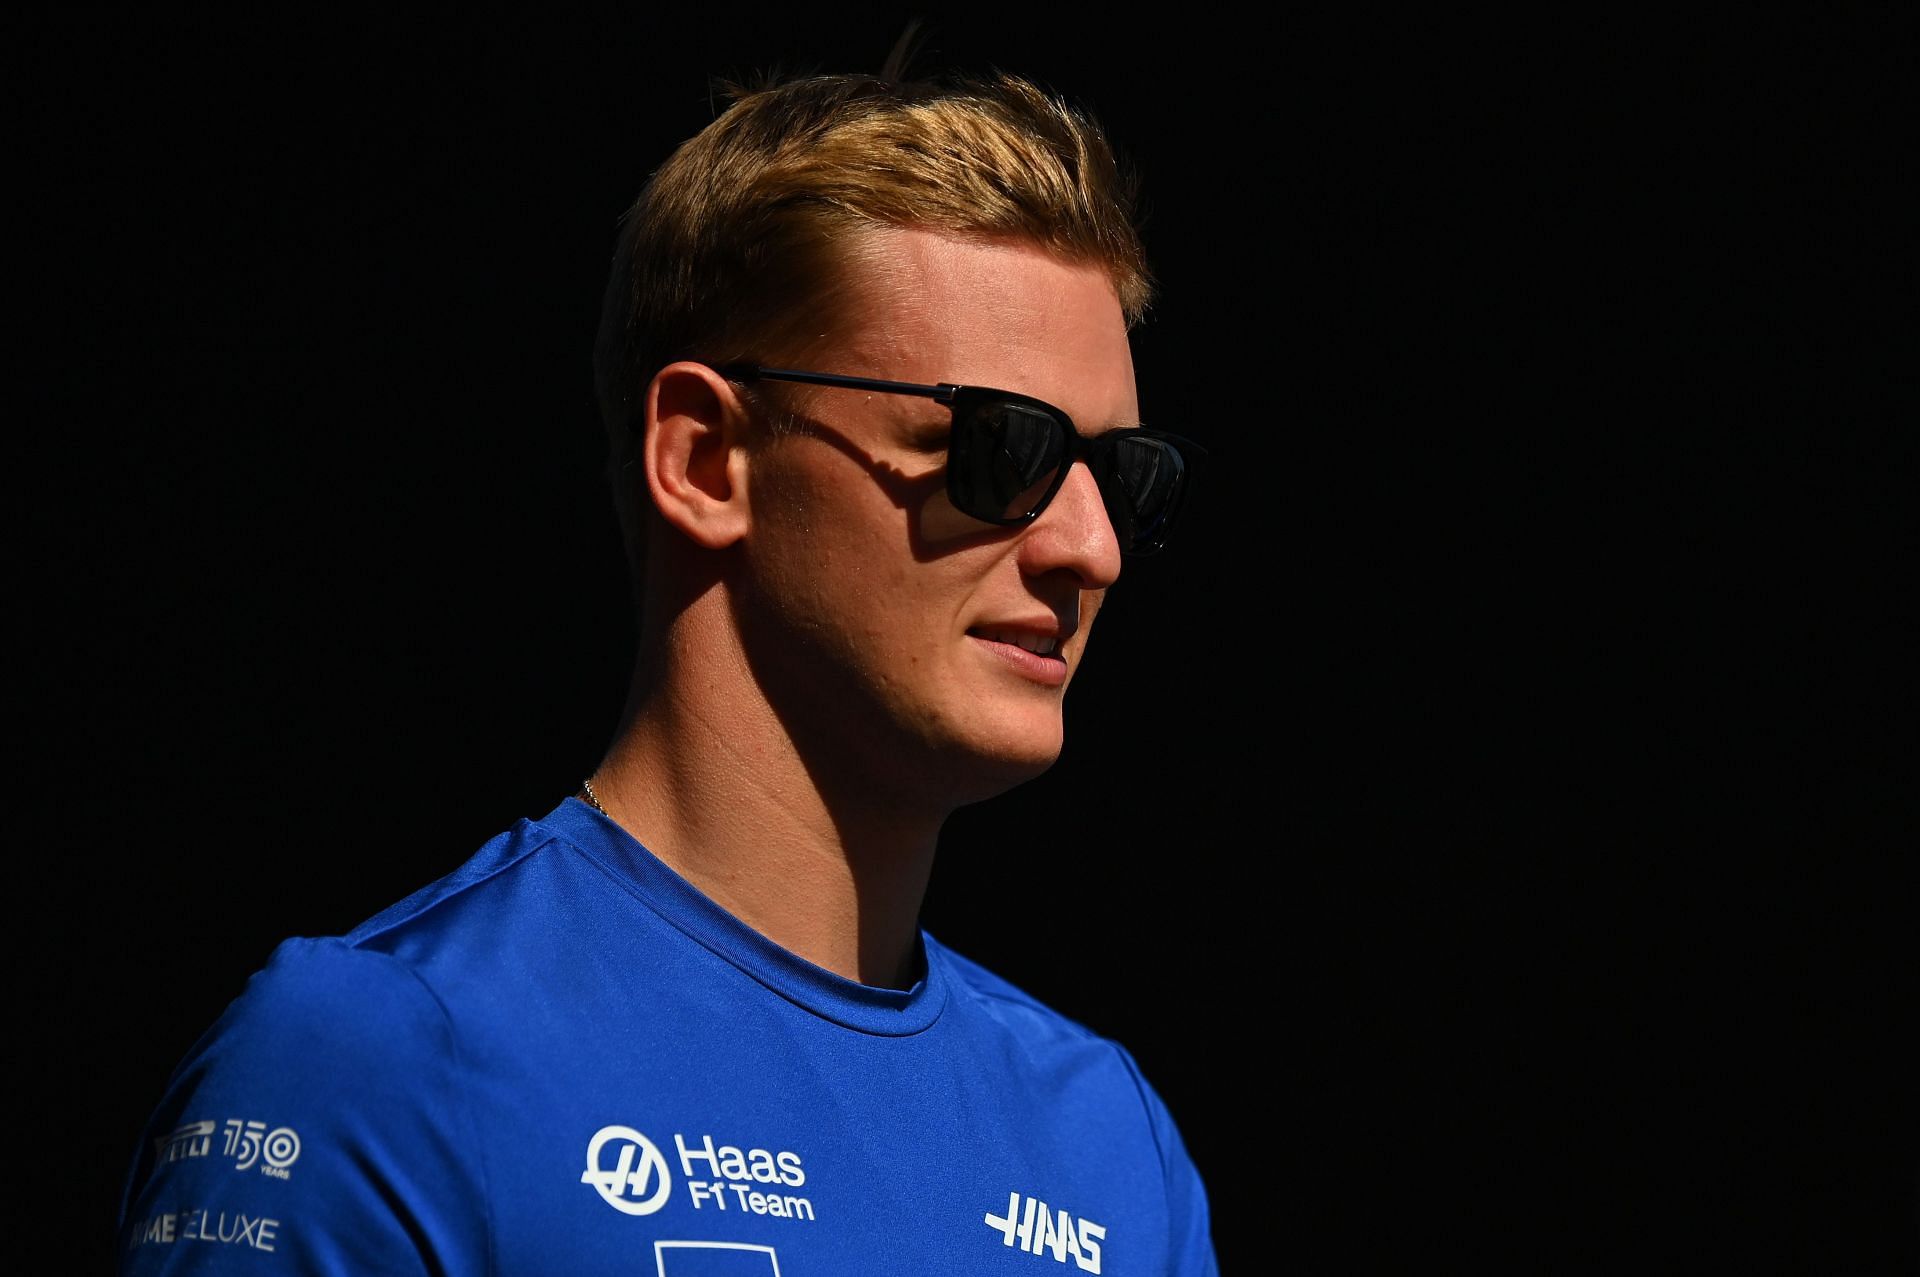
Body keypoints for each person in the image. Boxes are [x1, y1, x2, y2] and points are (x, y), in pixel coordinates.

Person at [116, 55, 1216, 1275]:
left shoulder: (1111, 1146)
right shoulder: (382, 1063)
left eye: (1123, 476)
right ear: (704, 459)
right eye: (1001, 449)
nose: (1091, 548)